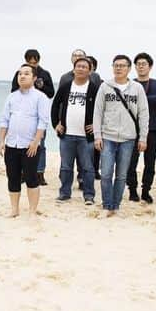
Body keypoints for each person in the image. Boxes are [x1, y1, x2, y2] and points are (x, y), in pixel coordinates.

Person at [92, 55, 149, 216]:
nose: (119, 68)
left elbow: (144, 114)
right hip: (108, 137)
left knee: (122, 175)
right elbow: (97, 112)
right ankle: (106, 205)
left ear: (129, 69)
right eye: (116, 65)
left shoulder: (137, 88)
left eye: (122, 66)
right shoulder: (105, 87)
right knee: (106, 174)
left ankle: (115, 206)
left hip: (128, 138)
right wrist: (97, 135)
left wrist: (143, 138)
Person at [0, 64, 51, 217]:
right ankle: (14, 210)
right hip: (11, 144)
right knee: (13, 177)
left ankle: (32, 210)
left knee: (31, 178)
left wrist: (35, 142)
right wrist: (1, 141)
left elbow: (43, 122)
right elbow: (4, 120)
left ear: (34, 78)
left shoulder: (40, 97)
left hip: (30, 145)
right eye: (20, 74)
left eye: (26, 73)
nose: (22, 76)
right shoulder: (12, 96)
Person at [52, 57, 101, 204]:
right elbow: (55, 105)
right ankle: (65, 193)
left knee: (87, 167)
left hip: (86, 137)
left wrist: (96, 126)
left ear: (90, 70)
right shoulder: (66, 86)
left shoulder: (94, 88)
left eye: (84, 67)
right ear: (74, 69)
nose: (80, 69)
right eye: (78, 66)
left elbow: (102, 110)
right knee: (66, 167)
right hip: (67, 135)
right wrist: (56, 124)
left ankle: (89, 195)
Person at [10, 49, 55, 184]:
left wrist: (39, 87)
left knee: (40, 144)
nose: (32, 64)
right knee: (22, 145)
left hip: (39, 114)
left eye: (35, 62)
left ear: (38, 61)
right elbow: (13, 91)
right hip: (23, 114)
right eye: (30, 62)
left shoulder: (45, 74)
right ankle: (24, 172)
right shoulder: (20, 73)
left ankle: (40, 172)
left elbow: (51, 93)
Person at [131, 52, 156, 203]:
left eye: (144, 64)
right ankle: (132, 190)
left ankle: (146, 190)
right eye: (138, 64)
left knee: (150, 162)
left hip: (152, 128)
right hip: (132, 129)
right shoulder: (131, 83)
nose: (141, 66)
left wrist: (144, 99)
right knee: (130, 162)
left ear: (150, 66)